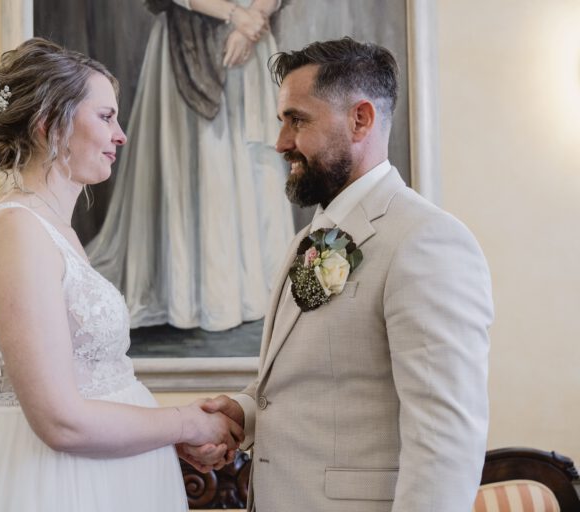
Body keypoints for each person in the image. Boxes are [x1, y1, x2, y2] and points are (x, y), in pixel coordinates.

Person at [182, 37, 494, 511]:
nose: (281, 141)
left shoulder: (426, 241)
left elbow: (445, 439)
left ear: (360, 119)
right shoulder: (314, 236)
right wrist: (244, 412)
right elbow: (315, 382)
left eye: (297, 119)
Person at [0, 38, 242, 511]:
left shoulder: (51, 229)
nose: (121, 135)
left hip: (110, 474)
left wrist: (166, 436)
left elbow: (95, 382)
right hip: (58, 483)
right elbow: (59, 420)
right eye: (106, 117)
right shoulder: (16, 232)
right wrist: (186, 423)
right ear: (50, 125)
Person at [85, 0, 295, 332]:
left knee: (255, 161)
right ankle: (202, 296)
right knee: (204, 162)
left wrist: (255, 19)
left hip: (251, 41)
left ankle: (257, 290)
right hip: (191, 38)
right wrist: (236, 16)